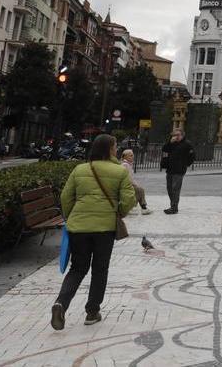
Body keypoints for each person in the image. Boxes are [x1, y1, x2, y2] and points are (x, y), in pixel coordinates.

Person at [50, 134, 136, 331]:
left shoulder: (80, 169)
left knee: (78, 268)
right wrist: (119, 211)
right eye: (115, 147)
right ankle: (92, 311)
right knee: (100, 269)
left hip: (78, 227)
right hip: (104, 228)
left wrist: (72, 217)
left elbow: (66, 196)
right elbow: (129, 199)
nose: (116, 150)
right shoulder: (119, 172)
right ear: (109, 150)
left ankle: (61, 303)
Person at [159, 129, 195, 214]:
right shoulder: (172, 142)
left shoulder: (187, 144)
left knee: (175, 189)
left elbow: (192, 156)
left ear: (182, 135)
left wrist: (185, 164)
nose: (175, 136)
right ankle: (173, 205)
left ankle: (174, 208)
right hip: (170, 168)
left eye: (177, 135)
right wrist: (169, 142)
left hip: (179, 170)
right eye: (174, 135)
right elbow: (164, 149)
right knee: (169, 188)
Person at [119, 149, 151, 214]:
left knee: (139, 190)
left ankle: (143, 207)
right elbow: (129, 178)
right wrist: (135, 184)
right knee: (140, 190)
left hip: (126, 185)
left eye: (132, 155)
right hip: (126, 186)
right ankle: (143, 208)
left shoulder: (127, 164)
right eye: (130, 155)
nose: (132, 156)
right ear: (125, 156)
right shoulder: (125, 165)